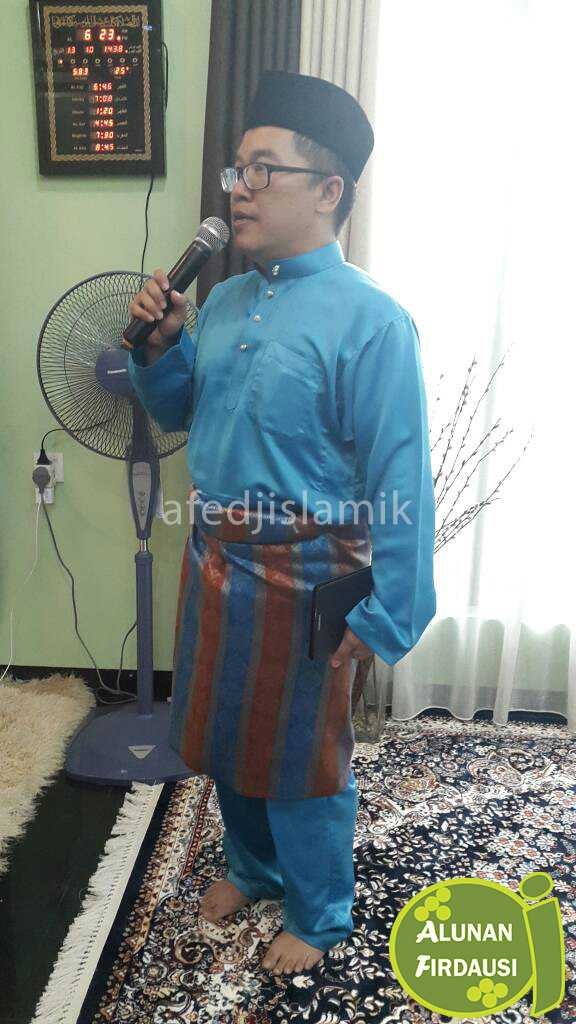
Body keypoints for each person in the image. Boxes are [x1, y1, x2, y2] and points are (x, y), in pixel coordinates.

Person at [121, 70, 436, 977]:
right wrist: (159, 348)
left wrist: (386, 613)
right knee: (227, 739)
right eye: (238, 171)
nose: (239, 190)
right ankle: (252, 869)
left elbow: (401, 480)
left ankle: (319, 911)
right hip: (215, 561)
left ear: (329, 190)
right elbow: (182, 410)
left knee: (303, 758)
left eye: (263, 170)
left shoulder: (375, 323)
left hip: (307, 580)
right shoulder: (222, 301)